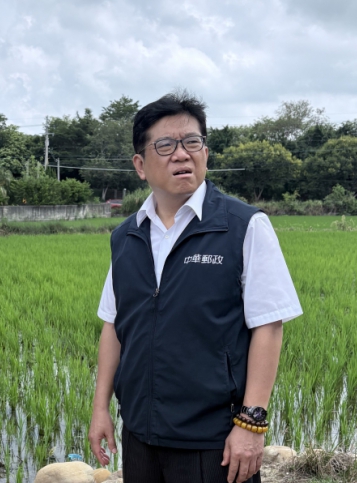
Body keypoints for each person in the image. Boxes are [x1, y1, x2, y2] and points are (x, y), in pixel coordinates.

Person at [87, 91, 302, 483]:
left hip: (213, 441)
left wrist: (251, 424)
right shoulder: (126, 237)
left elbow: (269, 325)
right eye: (165, 145)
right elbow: (113, 326)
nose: (182, 154)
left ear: (205, 151)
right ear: (140, 164)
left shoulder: (243, 226)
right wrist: (101, 407)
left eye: (192, 142)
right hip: (139, 433)